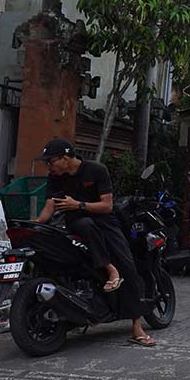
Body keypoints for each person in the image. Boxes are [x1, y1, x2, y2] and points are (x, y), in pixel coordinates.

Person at [34, 138, 154, 347]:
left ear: (65, 158)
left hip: (105, 222)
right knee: (84, 226)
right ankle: (107, 270)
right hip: (77, 223)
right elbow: (49, 206)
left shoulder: (96, 170)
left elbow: (107, 206)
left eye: (51, 161)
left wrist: (77, 204)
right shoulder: (55, 177)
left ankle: (137, 327)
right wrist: (35, 223)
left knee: (128, 266)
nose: (49, 166)